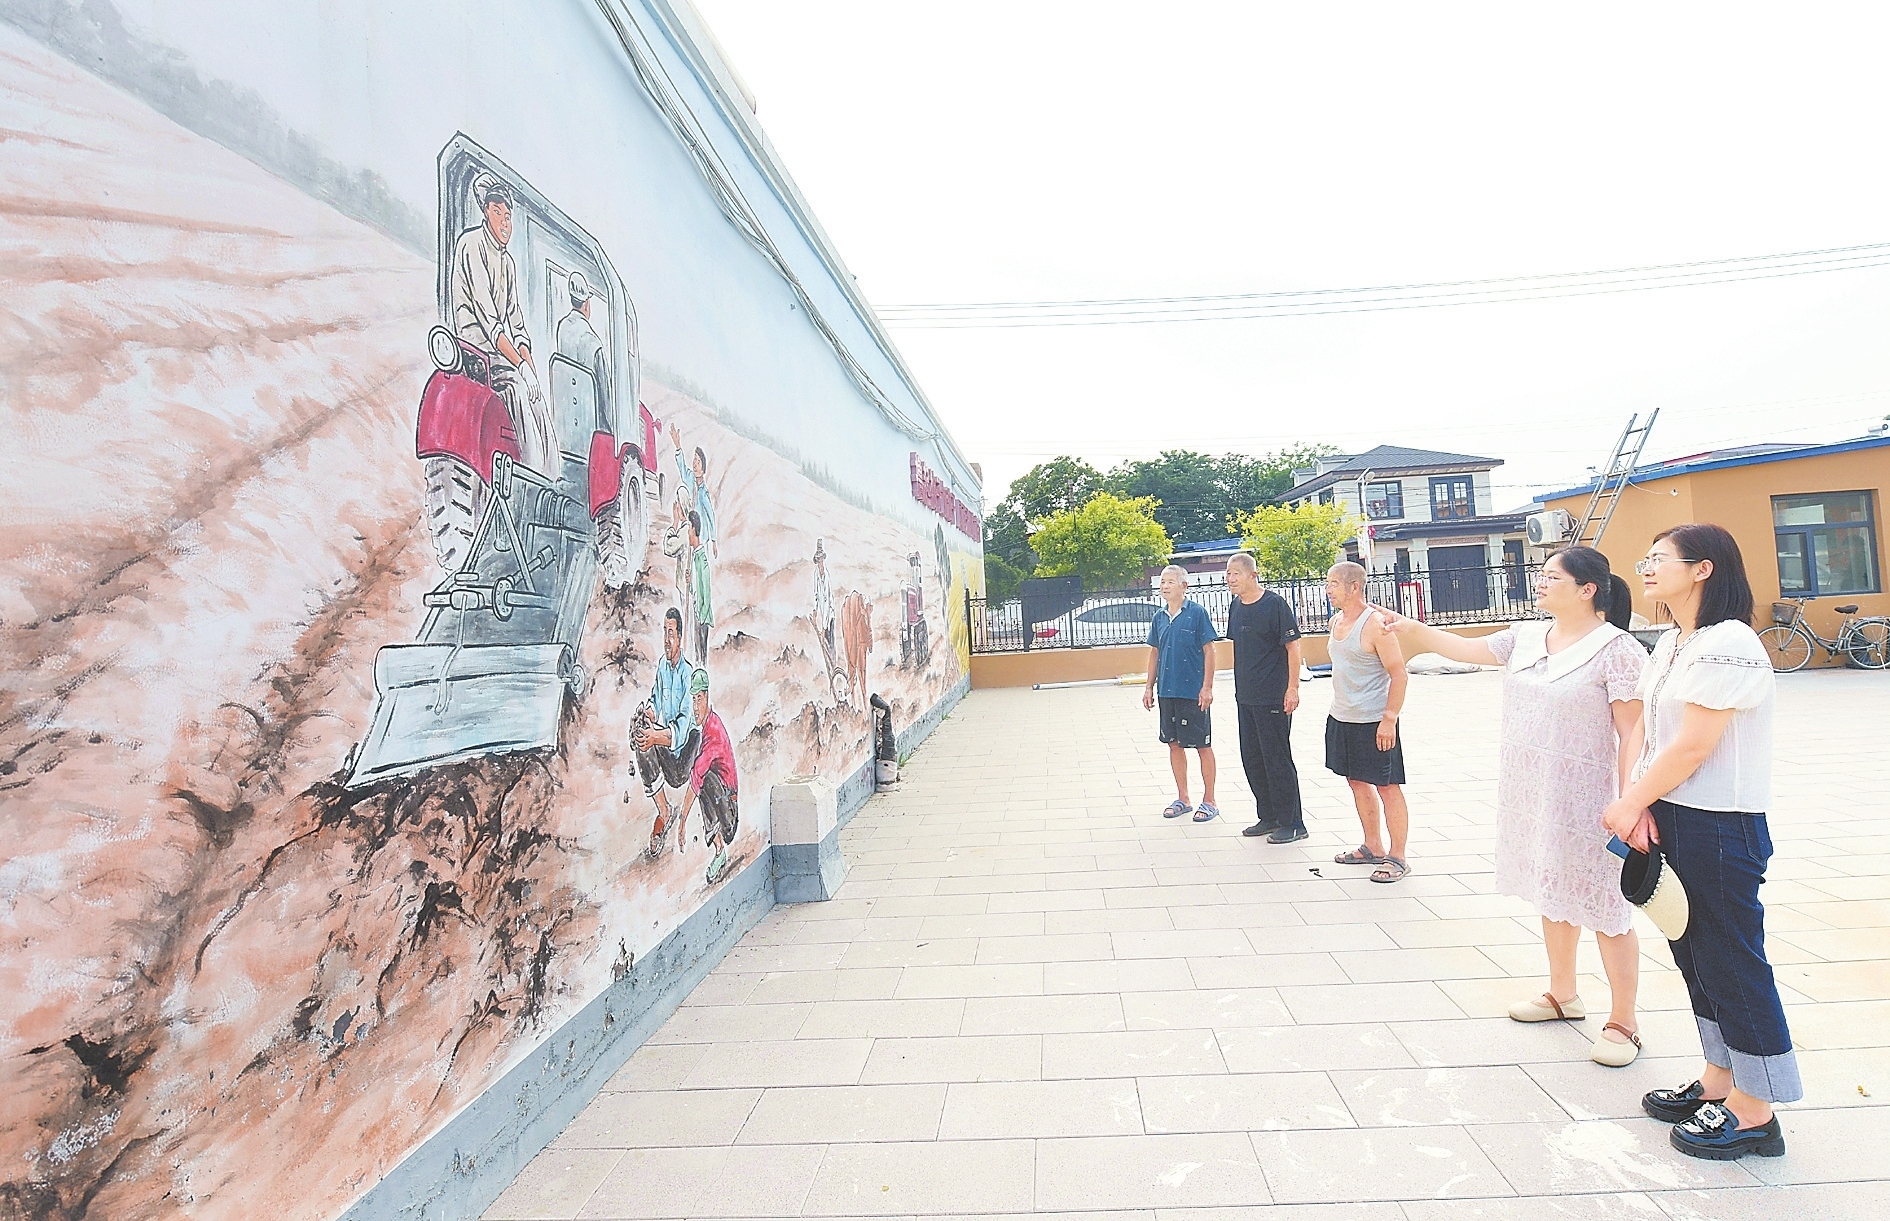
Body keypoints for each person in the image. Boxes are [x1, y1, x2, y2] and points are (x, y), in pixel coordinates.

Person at [1382, 547, 1648, 1066]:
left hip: (1592, 800)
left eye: (1552, 577)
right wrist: (1411, 627)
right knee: (1552, 889)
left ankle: (1624, 1021)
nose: (1540, 583)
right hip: (1535, 795)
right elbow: (1466, 648)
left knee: (1606, 907)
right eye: (1541, 575)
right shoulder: (1527, 636)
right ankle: (1562, 993)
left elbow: (1632, 731)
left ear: (1587, 589)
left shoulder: (1616, 649)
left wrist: (1629, 800)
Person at [1602, 524, 1796, 1161]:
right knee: (1697, 957)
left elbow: (1692, 746)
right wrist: (1641, 803)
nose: (1646, 567)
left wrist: (1630, 802)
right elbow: (1650, 737)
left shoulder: (1730, 642)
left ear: (1703, 568)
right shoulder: (1673, 642)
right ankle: (1719, 1079)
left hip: (1721, 824)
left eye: (1659, 558)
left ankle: (1756, 1109)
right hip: (1674, 815)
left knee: (1732, 959)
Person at [451, 175, 552, 474]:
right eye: (498, 213)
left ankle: (551, 473)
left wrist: (530, 369)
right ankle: (532, 471)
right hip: (474, 349)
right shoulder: (471, 245)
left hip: (498, 354)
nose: (505, 223)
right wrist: (520, 368)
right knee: (518, 388)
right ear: (485, 211)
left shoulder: (508, 263)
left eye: (508, 216)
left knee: (536, 398)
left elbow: (516, 323)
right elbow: (490, 321)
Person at [1323, 562, 1411, 882]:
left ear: (1354, 587)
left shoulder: (1375, 625)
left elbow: (1399, 674)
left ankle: (1397, 857)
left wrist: (1389, 719)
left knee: (1387, 786)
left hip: (1373, 721)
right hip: (1342, 717)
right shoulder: (1335, 621)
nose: (1328, 589)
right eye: (1328, 583)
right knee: (1356, 781)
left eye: (1334, 584)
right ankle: (1372, 846)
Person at [1222, 552, 1306, 843]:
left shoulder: (1274, 604)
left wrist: (1292, 688)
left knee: (1277, 759)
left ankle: (1293, 823)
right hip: (1246, 697)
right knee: (1252, 758)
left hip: (1273, 697)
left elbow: (1293, 647)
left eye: (1235, 573)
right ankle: (1268, 816)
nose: (1230, 579)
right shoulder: (1236, 606)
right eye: (1228, 574)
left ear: (1252, 575)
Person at [1142, 565, 1220, 821]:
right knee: (1174, 744)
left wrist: (1207, 687)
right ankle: (1183, 798)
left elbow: (1209, 650)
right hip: (1167, 691)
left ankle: (1209, 800)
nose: (1165, 586)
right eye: (1162, 582)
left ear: (1184, 586)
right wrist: (1149, 686)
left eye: (1170, 582)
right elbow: (1155, 652)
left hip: (1192, 692)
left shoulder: (1197, 613)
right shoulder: (1159, 617)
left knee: (1202, 745)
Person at [633, 608, 698, 858]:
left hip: (684, 758)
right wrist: (648, 713)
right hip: (667, 744)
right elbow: (656, 699)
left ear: (680, 637)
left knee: (649, 739)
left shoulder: (687, 674)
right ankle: (664, 812)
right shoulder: (662, 666)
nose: (667, 640)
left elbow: (682, 726)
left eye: (671, 633)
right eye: (664, 633)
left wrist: (656, 737)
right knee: (641, 739)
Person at [675, 670, 740, 883]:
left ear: (707, 697)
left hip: (729, 815)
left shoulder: (713, 734)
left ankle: (720, 848)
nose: (695, 707)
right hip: (723, 802)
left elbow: (696, 778)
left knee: (704, 779)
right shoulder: (708, 725)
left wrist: (682, 822)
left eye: (699, 699)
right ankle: (718, 846)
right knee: (703, 777)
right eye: (693, 700)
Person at [672, 424, 717, 557]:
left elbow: (710, 515)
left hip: (702, 537)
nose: (695, 464)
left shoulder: (703, 492)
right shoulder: (690, 478)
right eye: (694, 460)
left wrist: (713, 540)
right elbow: (682, 468)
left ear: (703, 469)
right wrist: (678, 447)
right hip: (690, 534)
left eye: (698, 462)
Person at [688, 512, 713, 663]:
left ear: (693, 529)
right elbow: (696, 588)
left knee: (701, 652)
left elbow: (706, 593)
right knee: (697, 650)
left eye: (689, 529)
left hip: (701, 615)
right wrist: (690, 581)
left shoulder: (702, 559)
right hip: (697, 611)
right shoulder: (695, 556)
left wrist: (701, 616)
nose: (688, 534)